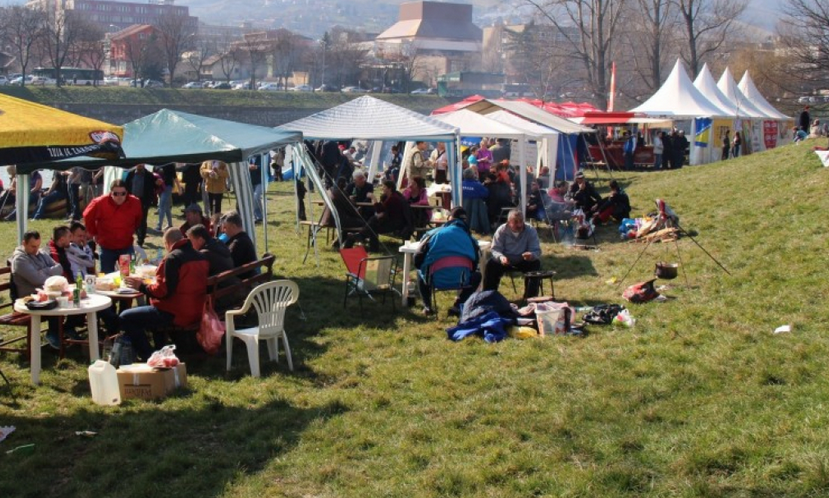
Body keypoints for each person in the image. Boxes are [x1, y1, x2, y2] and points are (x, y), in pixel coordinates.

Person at [120, 228, 209, 361]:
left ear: (167, 243)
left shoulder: (173, 259)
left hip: (176, 312)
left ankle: (148, 355)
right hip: (197, 309)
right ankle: (159, 347)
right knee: (151, 311)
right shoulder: (200, 256)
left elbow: (163, 292)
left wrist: (141, 286)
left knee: (125, 317)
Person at [415, 207, 482, 316]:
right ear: (465, 221)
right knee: (477, 276)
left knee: (420, 272)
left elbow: (417, 258)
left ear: (449, 218)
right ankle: (458, 305)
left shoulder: (433, 234)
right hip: (462, 280)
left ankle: (427, 307)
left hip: (434, 279)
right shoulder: (470, 239)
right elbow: (475, 263)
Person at [11, 230, 64, 348]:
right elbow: (37, 279)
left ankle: (64, 330)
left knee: (69, 299)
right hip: (29, 300)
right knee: (56, 302)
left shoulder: (41, 253)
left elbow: (59, 268)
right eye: (33, 246)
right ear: (24, 243)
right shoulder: (20, 260)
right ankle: (54, 334)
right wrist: (49, 272)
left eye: (38, 246)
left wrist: (42, 271)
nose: (36, 250)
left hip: (45, 294)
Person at [83, 179, 143, 273]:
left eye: (123, 193)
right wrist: (94, 232)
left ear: (127, 192)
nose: (119, 197)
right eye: (116, 194)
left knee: (128, 274)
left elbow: (139, 219)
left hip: (126, 246)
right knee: (107, 275)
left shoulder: (135, 202)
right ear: (110, 193)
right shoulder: (99, 202)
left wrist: (131, 230)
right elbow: (87, 215)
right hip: (107, 247)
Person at [483, 210, 542, 298]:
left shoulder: (530, 230)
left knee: (535, 264)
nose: (519, 225)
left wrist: (531, 255)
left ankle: (531, 298)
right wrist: (501, 257)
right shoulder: (501, 230)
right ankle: (489, 297)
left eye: (521, 221)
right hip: (505, 260)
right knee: (491, 265)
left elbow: (536, 250)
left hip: (524, 260)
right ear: (509, 222)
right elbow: (495, 249)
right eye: (516, 222)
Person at [344, 180, 411, 252]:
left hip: (394, 224)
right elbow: (382, 210)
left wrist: (373, 198)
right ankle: (368, 244)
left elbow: (380, 210)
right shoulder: (389, 197)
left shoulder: (393, 198)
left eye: (384, 187)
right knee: (373, 224)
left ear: (389, 188)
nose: (382, 188)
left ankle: (359, 237)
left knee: (373, 223)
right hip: (389, 221)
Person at [125, 163, 159, 246]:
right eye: (138, 164)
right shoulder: (131, 174)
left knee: (142, 220)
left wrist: (158, 184)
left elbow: (154, 188)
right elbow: (126, 187)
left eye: (141, 164)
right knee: (134, 220)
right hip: (132, 201)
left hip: (143, 201)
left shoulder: (149, 175)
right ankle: (138, 234)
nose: (140, 165)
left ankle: (141, 239)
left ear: (144, 164)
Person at [221, 211, 258, 278]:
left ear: (234, 226)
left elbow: (228, 265)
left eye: (225, 227)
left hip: (241, 280)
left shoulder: (238, 243)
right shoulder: (244, 238)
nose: (223, 231)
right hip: (248, 276)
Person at [156, 163, 178, 231]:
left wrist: (179, 188)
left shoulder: (170, 164)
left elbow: (175, 177)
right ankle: (170, 224)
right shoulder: (156, 164)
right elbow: (154, 176)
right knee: (167, 207)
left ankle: (159, 226)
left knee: (162, 205)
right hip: (159, 188)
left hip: (167, 187)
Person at [248, 156, 264, 223]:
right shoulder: (248, 158)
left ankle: (259, 216)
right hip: (251, 181)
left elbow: (265, 168)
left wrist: (256, 167)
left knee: (256, 197)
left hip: (260, 181)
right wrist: (248, 167)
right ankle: (256, 216)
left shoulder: (261, 157)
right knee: (252, 199)